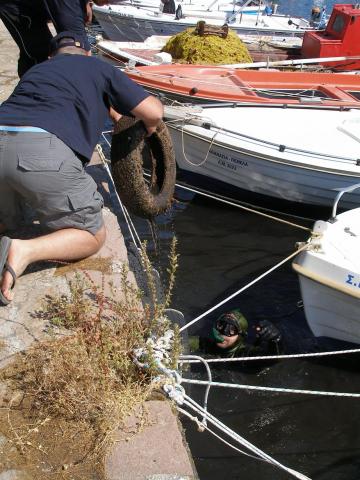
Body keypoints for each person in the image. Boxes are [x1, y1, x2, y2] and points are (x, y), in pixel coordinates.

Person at [0, 31, 164, 305]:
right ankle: (22, 251)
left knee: (11, 219)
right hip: (42, 151)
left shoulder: (38, 71)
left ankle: (9, 227)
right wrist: (149, 125)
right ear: (88, 53)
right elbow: (154, 112)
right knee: (91, 234)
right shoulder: (98, 67)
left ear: (52, 55)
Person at [0, 0, 110, 77]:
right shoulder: (68, 5)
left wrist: (86, 2)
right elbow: (79, 50)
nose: (109, 4)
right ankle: (32, 96)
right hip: (17, 5)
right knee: (39, 54)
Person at [190, 309, 282, 358]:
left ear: (240, 336)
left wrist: (276, 340)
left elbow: (272, 359)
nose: (223, 332)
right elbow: (181, 341)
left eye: (232, 329)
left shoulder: (243, 356)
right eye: (221, 325)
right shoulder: (205, 344)